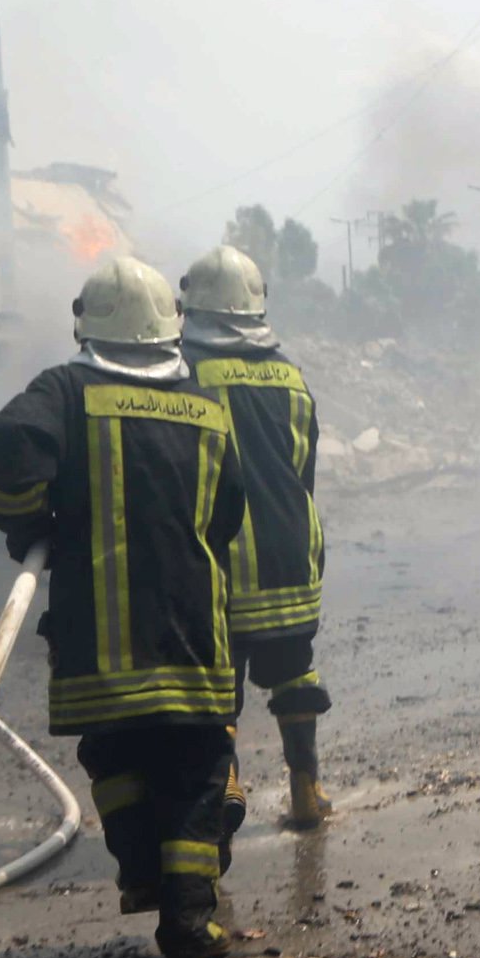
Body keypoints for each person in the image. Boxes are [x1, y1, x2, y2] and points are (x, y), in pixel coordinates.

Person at [0, 255, 248, 958]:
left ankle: (141, 874)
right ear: (170, 327)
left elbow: (12, 445)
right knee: (197, 771)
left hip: (99, 642)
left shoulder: (67, 391)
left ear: (86, 324)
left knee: (117, 756)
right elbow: (226, 517)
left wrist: (28, 519)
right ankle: (189, 919)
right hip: (192, 635)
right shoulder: (206, 408)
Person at [180, 244, 332, 829]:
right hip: (294, 556)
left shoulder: (187, 375)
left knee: (221, 686)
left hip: (222, 562)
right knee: (295, 671)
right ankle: (306, 789)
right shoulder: (291, 378)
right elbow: (303, 470)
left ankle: (226, 790)